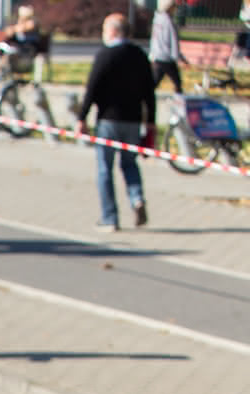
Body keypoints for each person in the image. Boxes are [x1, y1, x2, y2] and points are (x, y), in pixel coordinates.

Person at [76, 13, 154, 233]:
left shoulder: (105, 55)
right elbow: (149, 91)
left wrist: (82, 117)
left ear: (112, 31)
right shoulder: (140, 55)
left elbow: (92, 88)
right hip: (133, 119)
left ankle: (110, 217)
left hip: (108, 120)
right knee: (130, 164)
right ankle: (137, 198)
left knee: (104, 169)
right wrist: (151, 121)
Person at [150, 0, 185, 94]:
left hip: (158, 55)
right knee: (177, 81)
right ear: (170, 7)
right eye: (175, 7)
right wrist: (177, 57)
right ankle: (179, 99)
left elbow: (154, 38)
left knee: (156, 80)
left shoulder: (157, 19)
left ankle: (144, 96)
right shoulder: (169, 22)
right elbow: (173, 41)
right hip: (167, 57)